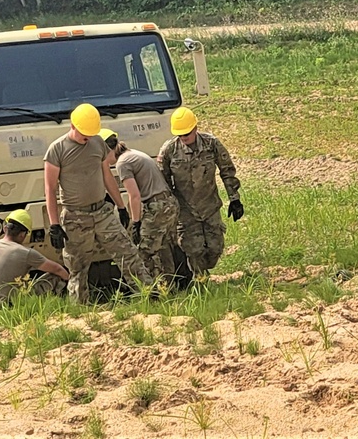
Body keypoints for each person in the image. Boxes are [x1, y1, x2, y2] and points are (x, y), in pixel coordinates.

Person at [44, 103, 155, 304]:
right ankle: (80, 309)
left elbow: (107, 176)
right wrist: (54, 225)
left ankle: (149, 296)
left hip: (102, 213)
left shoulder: (97, 144)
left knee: (127, 253)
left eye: (90, 133)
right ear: (72, 125)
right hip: (75, 217)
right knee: (77, 266)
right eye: (83, 133)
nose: (86, 138)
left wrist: (121, 207)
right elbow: (50, 190)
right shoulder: (56, 150)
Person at [157, 107, 243, 278]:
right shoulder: (169, 151)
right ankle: (202, 284)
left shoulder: (211, 144)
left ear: (195, 128)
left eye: (187, 134)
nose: (184, 138)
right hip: (186, 211)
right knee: (194, 251)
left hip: (209, 206)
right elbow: (163, 182)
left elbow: (227, 170)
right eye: (180, 135)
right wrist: (169, 210)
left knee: (215, 249)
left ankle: (204, 273)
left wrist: (234, 199)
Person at [100, 128, 179, 281]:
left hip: (157, 207)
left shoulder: (122, 164)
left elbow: (134, 196)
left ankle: (154, 289)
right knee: (163, 248)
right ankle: (169, 285)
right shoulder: (134, 154)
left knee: (144, 252)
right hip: (169, 203)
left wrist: (135, 222)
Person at [0, 209, 69, 304]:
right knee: (56, 276)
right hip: (11, 304)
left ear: (5, 228)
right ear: (22, 234)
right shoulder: (25, 253)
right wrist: (71, 281)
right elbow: (58, 269)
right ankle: (67, 302)